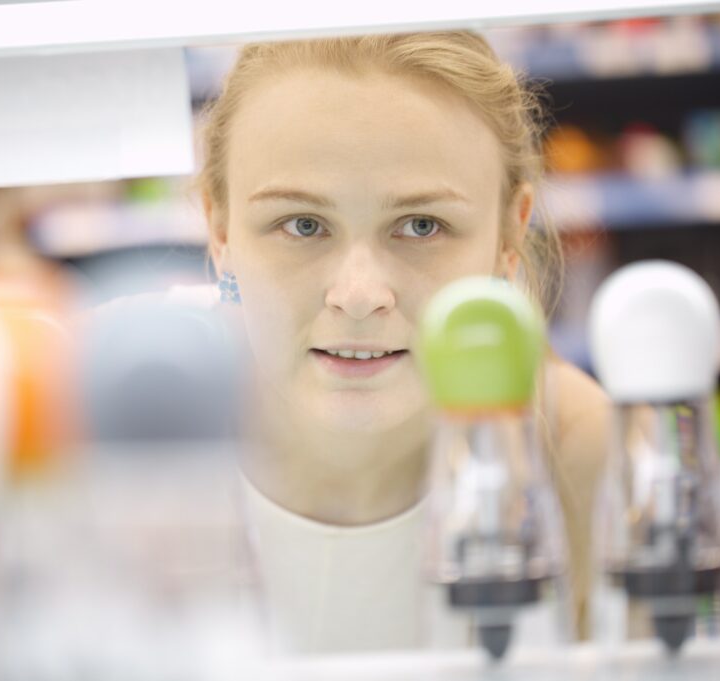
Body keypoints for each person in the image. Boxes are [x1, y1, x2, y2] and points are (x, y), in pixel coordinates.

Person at [189, 31, 612, 654]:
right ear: (220, 229)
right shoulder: (143, 451)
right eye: (302, 225)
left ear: (508, 233)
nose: (359, 295)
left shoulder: (578, 449)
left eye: (421, 225)